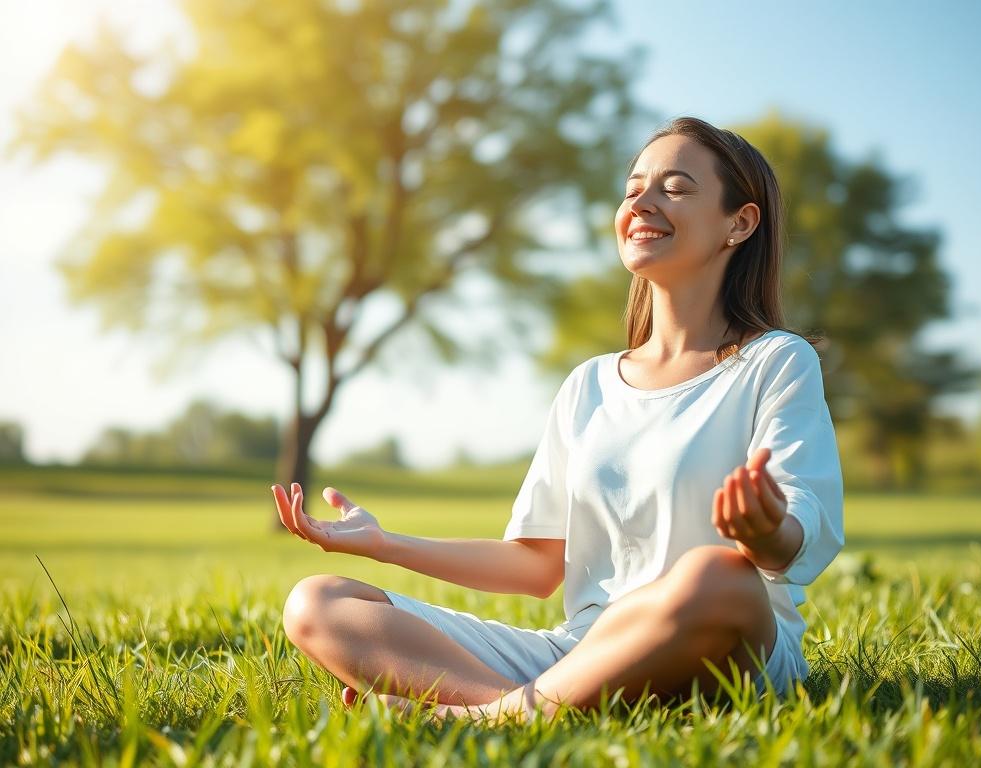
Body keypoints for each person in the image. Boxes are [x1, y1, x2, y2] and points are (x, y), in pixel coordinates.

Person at [270, 115, 844, 724]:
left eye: (674, 188)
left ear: (740, 222)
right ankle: (521, 707)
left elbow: (800, 529)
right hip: (583, 649)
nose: (642, 202)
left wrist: (764, 531)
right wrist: (385, 544)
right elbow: (536, 565)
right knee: (316, 603)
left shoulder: (776, 361)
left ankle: (478, 714)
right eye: (633, 189)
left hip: (732, 647)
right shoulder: (590, 384)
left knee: (720, 573)